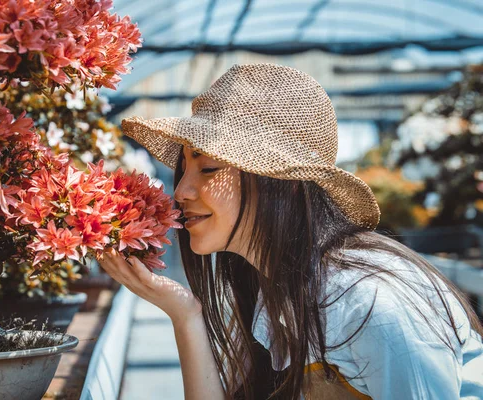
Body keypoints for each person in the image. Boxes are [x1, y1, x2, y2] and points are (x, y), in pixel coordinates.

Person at [98, 63, 483, 399]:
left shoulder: (371, 305)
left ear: (283, 182)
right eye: (185, 169)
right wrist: (185, 315)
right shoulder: (272, 288)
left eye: (209, 168)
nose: (181, 191)